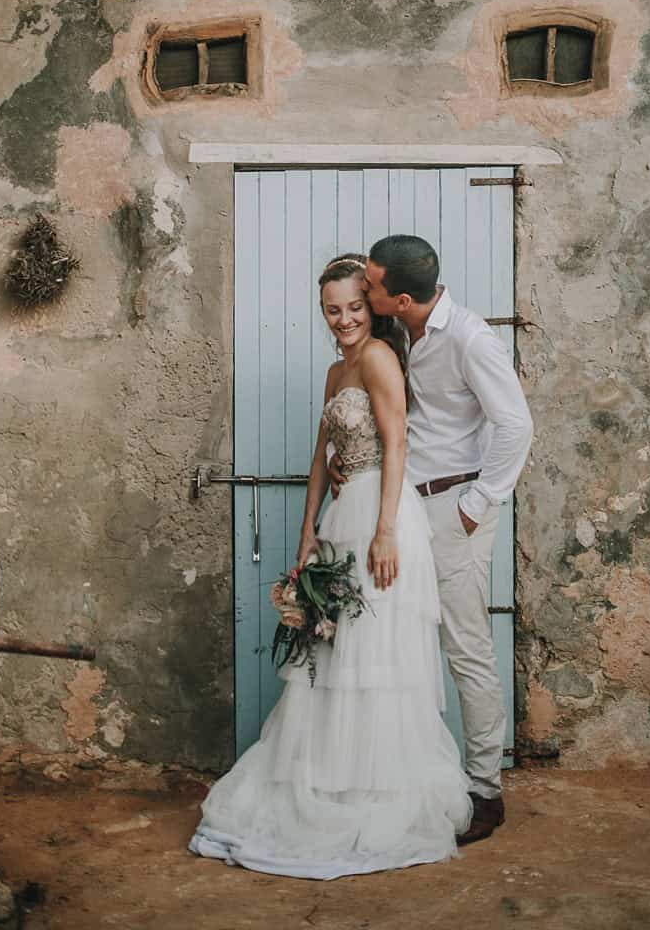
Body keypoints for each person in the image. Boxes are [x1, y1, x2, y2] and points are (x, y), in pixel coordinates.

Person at [189, 253, 472, 878]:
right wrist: (306, 533)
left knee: (374, 655)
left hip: (380, 516)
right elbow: (322, 457)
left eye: (353, 307)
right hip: (343, 519)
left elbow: (396, 443)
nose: (343, 319)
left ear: (371, 307)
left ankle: (374, 789)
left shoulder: (379, 357)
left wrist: (386, 530)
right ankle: (331, 778)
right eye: (331, 310)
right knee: (336, 653)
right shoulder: (335, 370)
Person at [335, 234, 533, 846]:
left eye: (370, 285)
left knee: (465, 647)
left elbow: (516, 424)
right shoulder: (404, 332)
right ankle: (407, 776)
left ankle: (485, 791)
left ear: (400, 298)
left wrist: (477, 505)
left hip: (455, 506)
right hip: (408, 506)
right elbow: (399, 424)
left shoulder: (470, 338)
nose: (362, 289)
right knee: (399, 639)